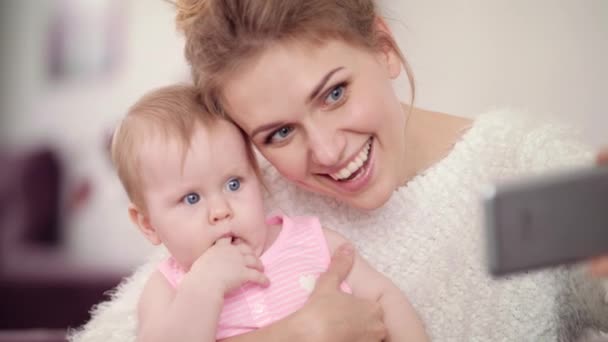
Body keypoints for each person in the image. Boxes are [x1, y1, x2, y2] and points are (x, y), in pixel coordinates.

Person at [69, 1, 608, 341]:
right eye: (279, 133)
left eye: (334, 93)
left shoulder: (529, 161)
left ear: (384, 48)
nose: (326, 153)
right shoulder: (248, 209)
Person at [109, 84, 428, 342]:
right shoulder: (168, 288)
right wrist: (203, 286)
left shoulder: (313, 240)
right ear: (148, 224)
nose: (221, 211)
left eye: (234, 183)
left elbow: (385, 297)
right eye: (191, 198)